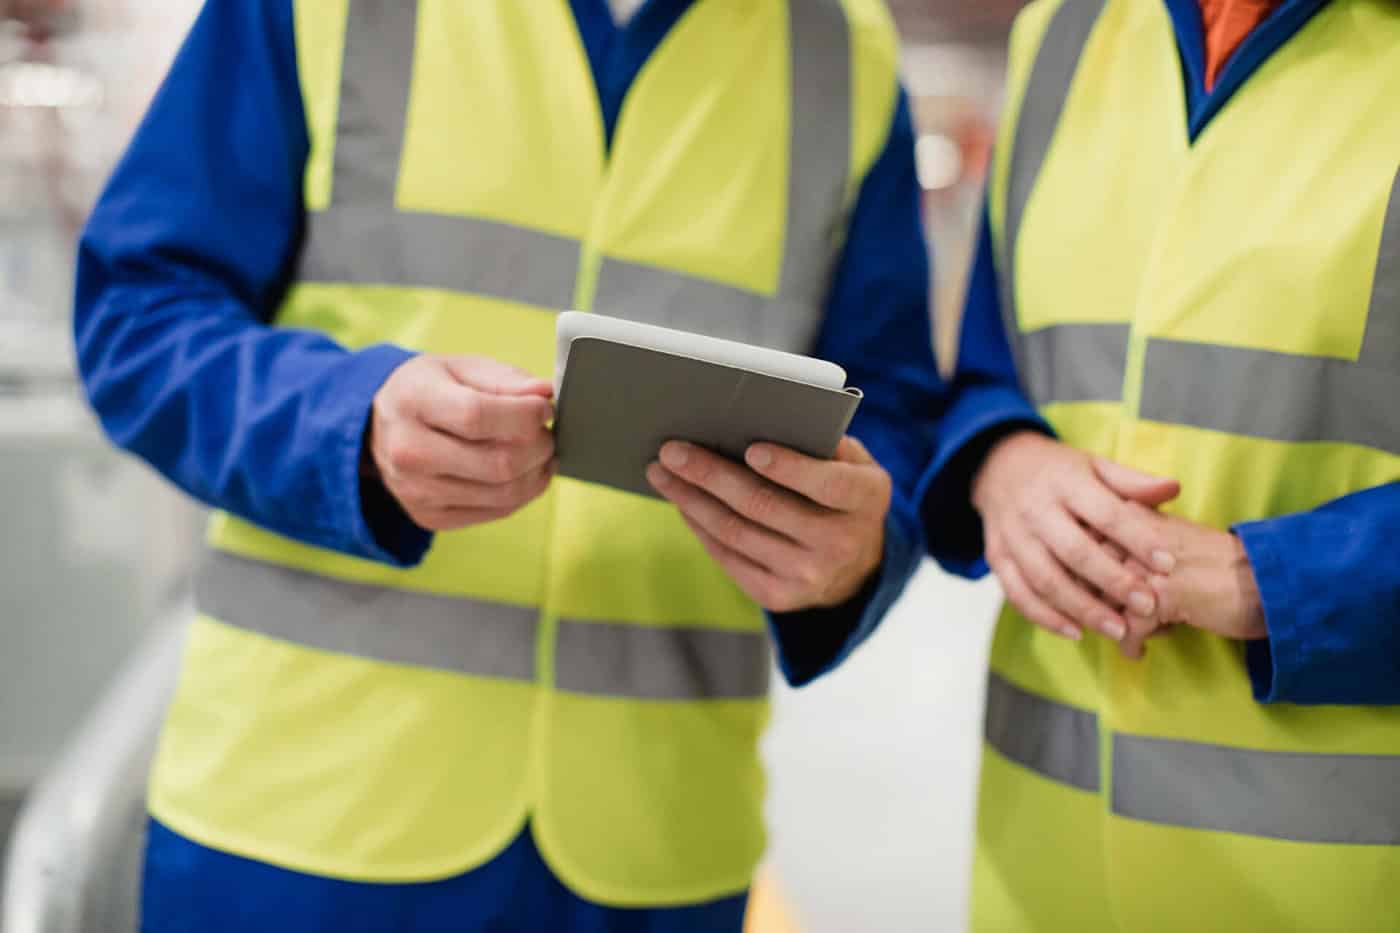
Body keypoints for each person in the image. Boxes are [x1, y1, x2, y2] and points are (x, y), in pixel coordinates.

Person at [73, 0, 954, 930]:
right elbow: (139, 313)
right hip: (304, 829)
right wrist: (351, 424)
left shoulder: (841, 52)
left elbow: (890, 410)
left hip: (654, 851)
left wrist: (862, 546)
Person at [899, 0, 1400, 929]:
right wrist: (1004, 461)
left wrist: (1273, 580)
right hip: (1039, 875)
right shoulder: (1064, 32)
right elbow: (988, 366)